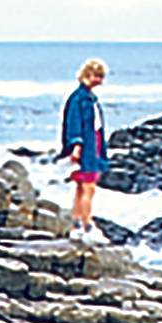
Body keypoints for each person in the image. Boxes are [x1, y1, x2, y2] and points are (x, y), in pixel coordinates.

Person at [60, 58, 110, 240]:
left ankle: (77, 224)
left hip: (93, 145)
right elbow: (74, 124)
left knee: (82, 187)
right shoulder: (79, 99)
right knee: (88, 187)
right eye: (98, 76)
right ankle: (87, 225)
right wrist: (76, 145)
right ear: (88, 75)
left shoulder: (89, 98)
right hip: (86, 147)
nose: (100, 81)